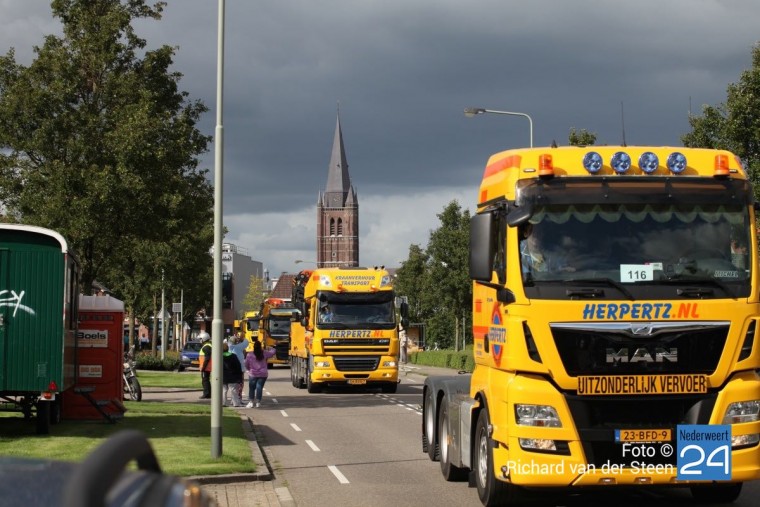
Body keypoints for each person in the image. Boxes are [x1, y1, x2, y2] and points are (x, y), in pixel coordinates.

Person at [245, 340, 276, 408]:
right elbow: (272, 353)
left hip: (253, 373)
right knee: (259, 387)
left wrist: (248, 369)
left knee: (252, 388)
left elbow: (246, 364)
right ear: (260, 346)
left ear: (254, 347)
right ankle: (258, 402)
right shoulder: (264, 353)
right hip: (263, 373)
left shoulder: (249, 354)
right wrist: (272, 347)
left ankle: (251, 402)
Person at [228, 331, 249, 406]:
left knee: (232, 385)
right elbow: (246, 342)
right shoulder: (238, 347)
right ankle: (238, 399)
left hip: (230, 369)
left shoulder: (229, 347)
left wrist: (236, 338)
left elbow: (229, 341)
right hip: (239, 369)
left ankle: (233, 400)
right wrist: (241, 338)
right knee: (240, 384)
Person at [222, 342, 244, 407]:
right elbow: (238, 366)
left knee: (224, 390)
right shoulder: (233, 356)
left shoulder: (219, 356)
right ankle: (236, 403)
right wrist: (239, 376)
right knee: (233, 390)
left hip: (223, 376)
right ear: (228, 348)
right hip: (233, 376)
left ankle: (223, 403)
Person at [198, 331, 212, 399]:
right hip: (207, 367)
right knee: (206, 380)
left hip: (206, 367)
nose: (200, 340)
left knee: (205, 380)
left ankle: (206, 394)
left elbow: (207, 358)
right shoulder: (208, 345)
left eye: (200, 339)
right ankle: (208, 393)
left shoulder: (206, 347)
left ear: (204, 338)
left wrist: (203, 367)